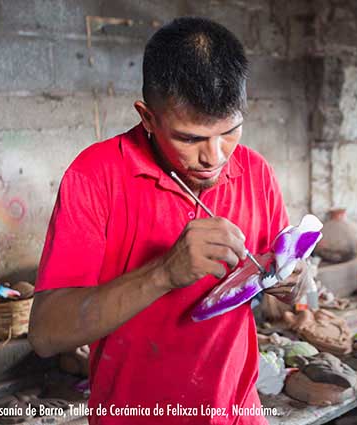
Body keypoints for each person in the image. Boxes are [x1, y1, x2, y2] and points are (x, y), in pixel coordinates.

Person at [29, 17, 296, 425]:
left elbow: (283, 286)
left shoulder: (255, 173)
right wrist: (164, 273)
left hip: (238, 415)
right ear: (148, 118)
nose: (215, 157)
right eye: (189, 139)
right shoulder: (96, 176)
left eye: (230, 131)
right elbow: (46, 334)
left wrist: (295, 281)